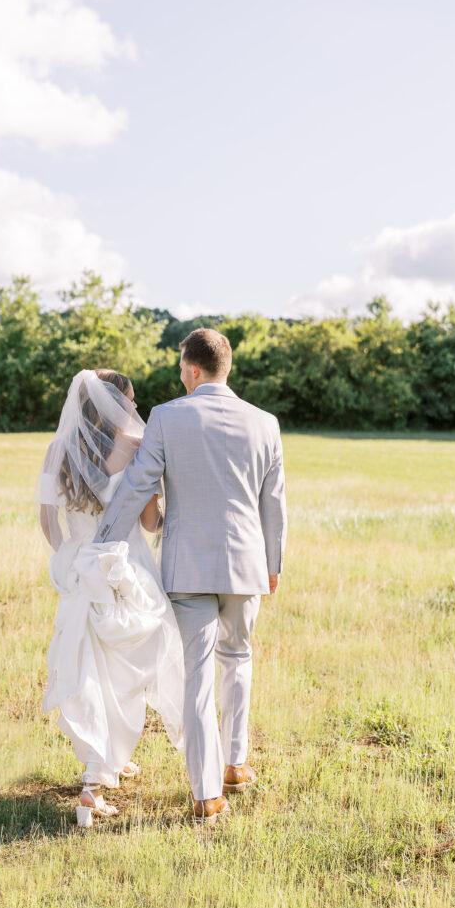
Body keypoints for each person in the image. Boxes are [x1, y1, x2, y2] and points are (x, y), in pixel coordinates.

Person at [95, 329, 287, 825]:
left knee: (198, 674)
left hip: (188, 567)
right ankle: (235, 765)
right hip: (247, 565)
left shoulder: (167, 417)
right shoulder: (266, 424)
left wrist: (103, 541)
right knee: (238, 658)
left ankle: (206, 796)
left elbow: (138, 484)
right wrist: (274, 565)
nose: (180, 374)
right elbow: (274, 503)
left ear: (194, 370)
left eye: (182, 366)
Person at [38, 368, 184, 825]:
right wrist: (164, 504)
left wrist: (72, 559)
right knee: (129, 667)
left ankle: (109, 759)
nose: (137, 409)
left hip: (83, 569)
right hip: (125, 568)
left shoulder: (57, 449)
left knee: (89, 669)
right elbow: (148, 524)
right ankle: (92, 786)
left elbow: (47, 521)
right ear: (112, 404)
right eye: (132, 401)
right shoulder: (135, 448)